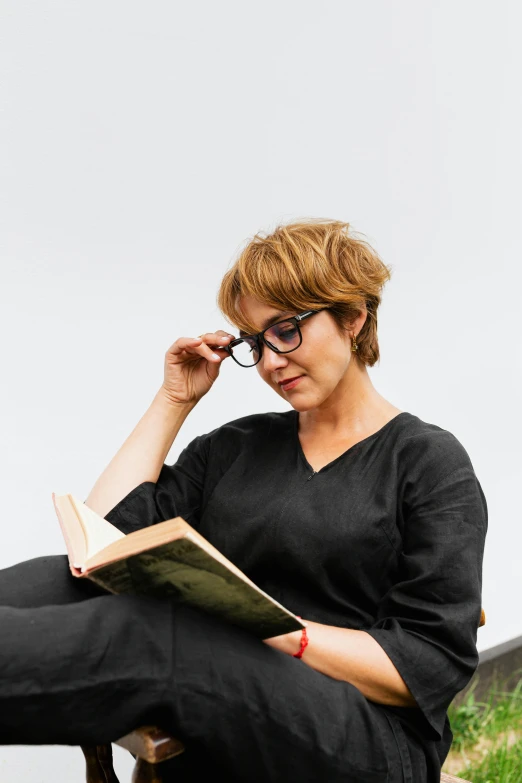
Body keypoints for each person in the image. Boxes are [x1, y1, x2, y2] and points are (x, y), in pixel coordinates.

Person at [0, 218, 487, 783]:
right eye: (256, 343)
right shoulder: (238, 446)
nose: (271, 361)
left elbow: (427, 664)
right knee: (56, 579)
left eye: (286, 330)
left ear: (353, 318)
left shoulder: (429, 462)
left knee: (161, 637)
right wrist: (173, 398)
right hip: (223, 688)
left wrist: (270, 627)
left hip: (364, 732)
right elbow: (101, 543)